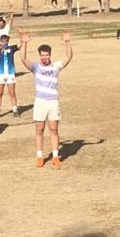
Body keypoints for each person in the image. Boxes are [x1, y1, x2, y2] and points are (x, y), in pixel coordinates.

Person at [19, 29, 74, 168]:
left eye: (47, 55)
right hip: (40, 102)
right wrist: (24, 44)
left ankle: (55, 156)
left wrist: (67, 42)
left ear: (50, 55)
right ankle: (39, 156)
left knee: (53, 129)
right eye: (42, 55)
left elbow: (68, 57)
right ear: (39, 56)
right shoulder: (36, 68)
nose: (45, 58)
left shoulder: (55, 67)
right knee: (39, 128)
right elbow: (23, 59)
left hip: (53, 102)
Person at [0, 30, 21, 117]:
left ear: (8, 41)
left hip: (10, 74)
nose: (5, 42)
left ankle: (15, 110)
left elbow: (20, 45)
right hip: (0, 74)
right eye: (3, 40)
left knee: (12, 93)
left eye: (6, 40)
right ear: (0, 41)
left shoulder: (11, 48)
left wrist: (20, 34)